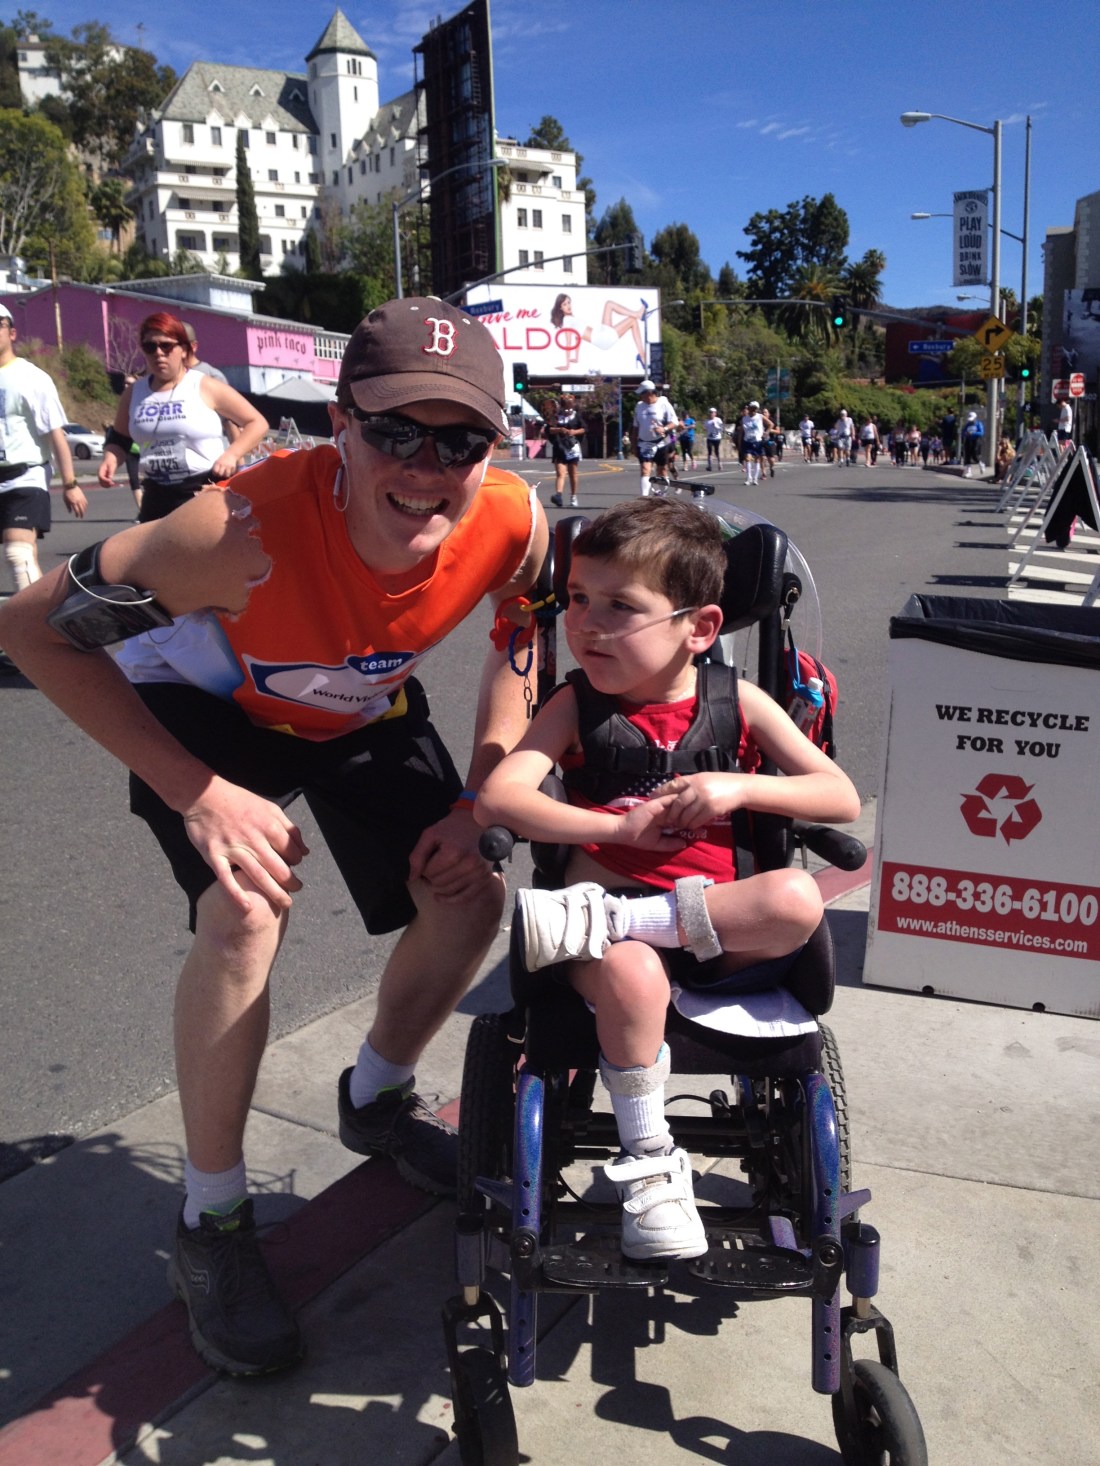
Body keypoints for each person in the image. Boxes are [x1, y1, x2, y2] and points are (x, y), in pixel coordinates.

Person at [0, 297, 549, 1377]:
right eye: (395, 429)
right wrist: (197, 790)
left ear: (493, 445)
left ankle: (377, 1096)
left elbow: (522, 635)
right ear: (338, 422)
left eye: (460, 439)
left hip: (354, 705)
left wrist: (481, 792)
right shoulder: (227, 527)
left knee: (470, 888)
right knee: (246, 908)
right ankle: (211, 1223)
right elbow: (28, 635)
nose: (427, 467)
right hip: (211, 710)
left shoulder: (513, 522)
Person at [475, 498, 859, 1261]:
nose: (585, 625)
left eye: (620, 607)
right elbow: (501, 796)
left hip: (715, 935)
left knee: (794, 895)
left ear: (701, 627)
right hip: (606, 942)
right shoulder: (573, 707)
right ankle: (651, 1166)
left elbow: (837, 796)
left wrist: (740, 788)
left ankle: (628, 924)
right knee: (632, 973)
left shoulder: (739, 705)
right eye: (578, 600)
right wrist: (614, 829)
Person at [99, 312, 268, 522]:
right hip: (157, 493)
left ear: (183, 349)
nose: (159, 353)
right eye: (150, 347)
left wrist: (232, 455)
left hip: (204, 488)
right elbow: (120, 438)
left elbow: (257, 423)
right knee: (152, 554)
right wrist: (111, 458)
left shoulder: (205, 385)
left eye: (166, 346)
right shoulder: (134, 393)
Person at [0, 301, 87, 592]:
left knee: (17, 552)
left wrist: (71, 483)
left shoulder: (32, 378)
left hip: (25, 476)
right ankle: (39, 607)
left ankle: (32, 625)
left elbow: (57, 435)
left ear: (12, 333)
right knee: (24, 554)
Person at [551, 293, 648, 373]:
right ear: (560, 307)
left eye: (569, 302)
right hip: (602, 339)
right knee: (632, 320)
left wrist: (576, 358)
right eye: (564, 304)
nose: (568, 306)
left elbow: (577, 338)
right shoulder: (567, 320)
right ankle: (638, 315)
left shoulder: (571, 318)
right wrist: (567, 364)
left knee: (609, 304)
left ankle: (642, 356)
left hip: (601, 333)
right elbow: (568, 343)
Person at [632, 380, 679, 496]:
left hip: (661, 443)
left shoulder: (663, 404)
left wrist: (664, 429)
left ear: (649, 393)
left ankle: (663, 496)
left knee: (661, 470)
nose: (640, 396)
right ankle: (644, 497)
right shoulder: (639, 406)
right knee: (645, 469)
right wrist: (633, 445)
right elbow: (635, 427)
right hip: (644, 444)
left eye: (641, 393)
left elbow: (675, 422)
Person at [546, 392, 585, 508]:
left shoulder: (576, 415)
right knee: (560, 472)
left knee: (573, 473)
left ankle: (573, 496)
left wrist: (573, 432)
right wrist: (559, 429)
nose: (568, 407)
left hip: (572, 447)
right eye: (565, 405)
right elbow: (549, 429)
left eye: (570, 404)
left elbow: (584, 429)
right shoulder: (556, 416)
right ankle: (558, 495)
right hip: (559, 446)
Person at [740, 400, 774, 486]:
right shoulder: (744, 419)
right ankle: (749, 478)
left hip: (758, 441)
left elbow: (771, 424)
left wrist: (767, 432)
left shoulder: (760, 416)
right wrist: (739, 441)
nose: (754, 410)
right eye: (752, 408)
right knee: (748, 458)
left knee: (757, 459)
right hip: (747, 440)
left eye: (755, 408)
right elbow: (742, 431)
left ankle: (755, 479)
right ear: (749, 408)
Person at [961, 411, 984, 477]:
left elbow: (981, 432)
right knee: (967, 455)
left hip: (976, 440)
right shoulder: (967, 425)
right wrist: (965, 434)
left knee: (974, 455)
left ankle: (981, 464)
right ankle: (969, 471)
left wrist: (973, 433)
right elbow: (963, 432)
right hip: (968, 440)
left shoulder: (978, 424)